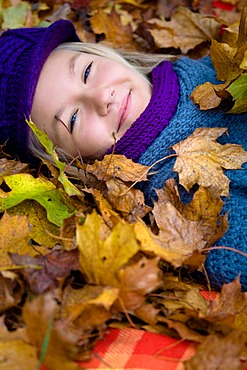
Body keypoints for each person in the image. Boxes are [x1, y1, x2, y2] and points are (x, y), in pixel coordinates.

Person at [0, 20, 247, 291]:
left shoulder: (216, 65)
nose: (102, 97)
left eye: (87, 72)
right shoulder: (181, 206)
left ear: (98, 52)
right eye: (73, 118)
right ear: (66, 161)